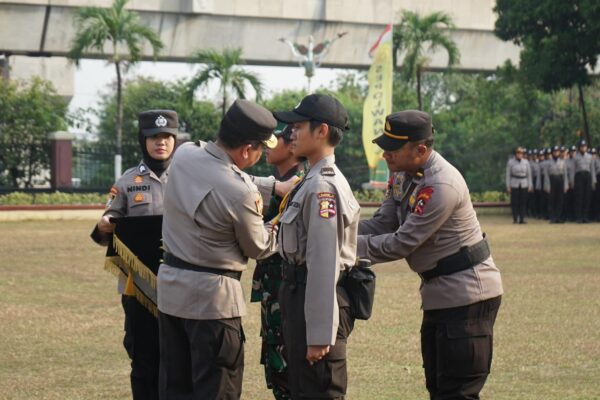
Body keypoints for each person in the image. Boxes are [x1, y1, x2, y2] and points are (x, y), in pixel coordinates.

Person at [357, 110, 503, 400]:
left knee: (457, 392)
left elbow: (401, 243)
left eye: (392, 148)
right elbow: (382, 223)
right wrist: (334, 232)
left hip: (467, 297)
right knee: (439, 389)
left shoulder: (440, 185)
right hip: (441, 294)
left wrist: (340, 247)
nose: (385, 154)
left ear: (420, 149)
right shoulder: (403, 174)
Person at [157, 99, 281, 399]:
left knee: (175, 389)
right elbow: (260, 247)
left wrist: (272, 186)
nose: (262, 155)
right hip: (213, 304)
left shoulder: (185, 154)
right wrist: (279, 224)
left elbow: (218, 174)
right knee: (216, 390)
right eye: (261, 149)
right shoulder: (240, 191)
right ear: (247, 149)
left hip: (171, 293)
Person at [273, 93, 361, 399]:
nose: (290, 134)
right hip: (300, 299)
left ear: (321, 131)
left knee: (319, 390)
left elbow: (324, 263)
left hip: (316, 302)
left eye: (297, 126)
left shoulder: (323, 186)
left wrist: (320, 334)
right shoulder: (310, 179)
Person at [91, 109, 179, 400]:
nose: (161, 142)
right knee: (143, 357)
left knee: (179, 358)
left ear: (175, 139)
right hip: (138, 287)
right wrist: (104, 225)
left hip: (181, 284)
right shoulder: (127, 182)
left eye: (167, 136)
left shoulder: (187, 178)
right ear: (143, 141)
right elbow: (107, 224)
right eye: (154, 137)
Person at [250, 124, 304, 399]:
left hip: (290, 289)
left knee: (292, 366)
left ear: (293, 145)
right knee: (276, 365)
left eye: (275, 141)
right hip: (272, 288)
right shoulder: (274, 182)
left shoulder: (302, 184)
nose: (268, 147)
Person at [506, 146, 533, 224]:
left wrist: (530, 185)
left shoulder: (526, 162)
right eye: (518, 153)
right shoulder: (511, 162)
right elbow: (508, 175)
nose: (519, 154)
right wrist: (508, 186)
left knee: (523, 202)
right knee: (515, 202)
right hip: (514, 183)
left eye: (521, 153)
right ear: (515, 154)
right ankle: (515, 218)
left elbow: (529, 175)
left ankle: (522, 218)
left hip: (524, 183)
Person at [573, 140, 597, 223]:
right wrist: (572, 181)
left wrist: (594, 181)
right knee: (579, 197)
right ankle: (579, 217)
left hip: (588, 176)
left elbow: (592, 169)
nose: (583, 148)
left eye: (585, 146)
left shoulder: (590, 157)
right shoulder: (575, 157)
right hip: (579, 176)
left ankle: (585, 216)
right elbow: (573, 170)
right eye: (582, 146)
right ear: (579, 148)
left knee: (587, 197)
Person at [543, 145, 569, 223]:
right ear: (552, 153)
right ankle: (552, 217)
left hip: (560, 180)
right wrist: (547, 185)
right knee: (552, 200)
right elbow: (546, 175)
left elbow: (565, 174)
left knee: (560, 200)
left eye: (557, 151)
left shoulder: (562, 162)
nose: (556, 153)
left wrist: (566, 185)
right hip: (552, 180)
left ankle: (558, 217)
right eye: (554, 151)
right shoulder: (548, 162)